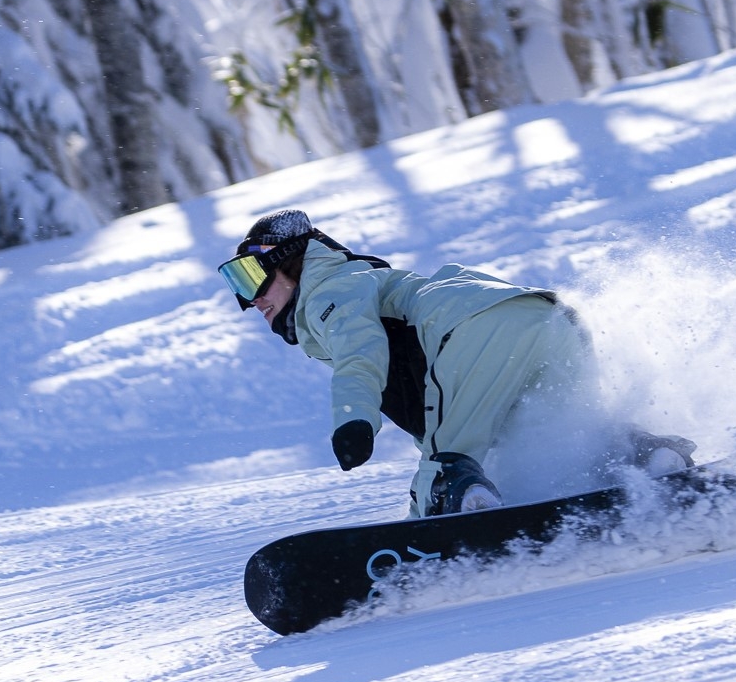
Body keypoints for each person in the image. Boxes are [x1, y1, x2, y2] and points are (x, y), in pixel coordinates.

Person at [218, 210, 692, 517]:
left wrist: (354, 421)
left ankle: (450, 513)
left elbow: (359, 356)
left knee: (448, 463)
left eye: (252, 277)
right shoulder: (369, 281)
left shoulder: (329, 288)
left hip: (472, 333)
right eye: (238, 285)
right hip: (548, 320)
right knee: (553, 432)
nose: (249, 300)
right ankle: (646, 455)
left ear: (291, 262)